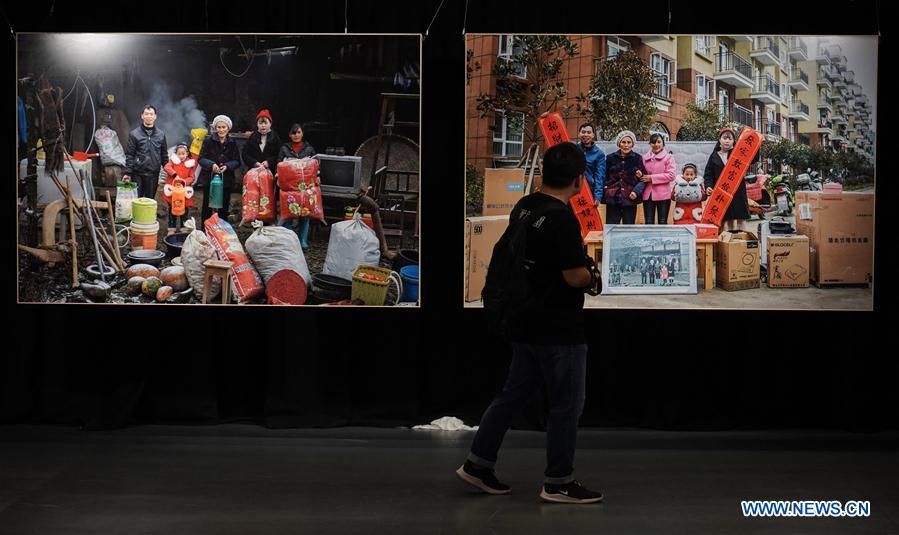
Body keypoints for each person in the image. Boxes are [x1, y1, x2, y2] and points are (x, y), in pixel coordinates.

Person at [457, 142, 603, 505]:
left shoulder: (525, 206)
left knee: (512, 395)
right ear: (579, 180)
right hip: (557, 327)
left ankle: (478, 463)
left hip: (523, 321)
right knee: (566, 405)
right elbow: (573, 277)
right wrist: (592, 274)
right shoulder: (562, 218)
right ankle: (558, 481)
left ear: (544, 173)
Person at [703, 127, 759, 232]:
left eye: (730, 138)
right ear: (719, 139)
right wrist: (708, 186)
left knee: (739, 218)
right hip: (722, 192)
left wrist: (756, 142)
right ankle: (725, 243)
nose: (727, 141)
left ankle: (739, 242)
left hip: (737, 191)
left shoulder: (738, 153)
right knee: (725, 219)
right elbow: (708, 174)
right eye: (725, 138)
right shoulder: (714, 156)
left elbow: (753, 158)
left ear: (734, 141)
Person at [278, 123, 317, 249]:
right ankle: (290, 240)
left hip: (305, 186)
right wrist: (277, 176)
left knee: (305, 212)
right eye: (293, 133)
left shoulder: (309, 149)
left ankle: (302, 241)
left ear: (302, 133)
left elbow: (316, 165)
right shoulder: (284, 148)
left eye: (298, 132)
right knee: (288, 211)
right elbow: (279, 164)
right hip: (289, 185)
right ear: (290, 135)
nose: (296, 135)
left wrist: (318, 176)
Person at [197, 115, 241, 222]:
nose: (221, 130)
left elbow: (237, 161)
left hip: (226, 179)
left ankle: (222, 231)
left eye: (224, 127)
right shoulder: (208, 141)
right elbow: (201, 158)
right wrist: (211, 165)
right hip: (209, 179)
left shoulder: (232, 143)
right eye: (219, 127)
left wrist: (227, 166)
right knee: (207, 206)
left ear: (228, 128)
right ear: (215, 128)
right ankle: (205, 229)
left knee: (224, 207)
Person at [122, 105, 168, 201]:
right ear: (142, 116)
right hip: (138, 173)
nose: (149, 116)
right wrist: (128, 173)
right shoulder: (134, 134)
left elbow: (164, 155)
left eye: (151, 114)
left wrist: (169, 171)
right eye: (146, 114)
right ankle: (136, 216)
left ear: (155, 116)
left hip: (153, 174)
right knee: (136, 200)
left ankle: (148, 216)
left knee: (149, 201)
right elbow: (130, 154)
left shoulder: (160, 135)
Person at [602, 130, 647, 225]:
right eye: (623, 142)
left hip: (630, 198)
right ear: (619, 143)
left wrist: (636, 191)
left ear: (632, 144)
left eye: (629, 142)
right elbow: (604, 176)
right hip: (613, 198)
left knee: (628, 228)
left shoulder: (637, 158)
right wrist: (607, 189)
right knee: (611, 227)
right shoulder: (610, 158)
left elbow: (643, 179)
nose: (626, 145)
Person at [162, 143, 197, 235]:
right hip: (173, 190)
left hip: (184, 190)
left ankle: (183, 226)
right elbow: (167, 167)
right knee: (172, 208)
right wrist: (175, 175)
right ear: (176, 154)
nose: (181, 156)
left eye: (183, 153)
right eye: (179, 154)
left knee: (184, 209)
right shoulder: (172, 161)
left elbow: (192, 177)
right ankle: (171, 227)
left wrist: (184, 181)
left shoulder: (190, 164)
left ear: (187, 153)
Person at [641, 134, 676, 224]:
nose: (656, 144)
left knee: (662, 221)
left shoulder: (669, 157)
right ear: (650, 144)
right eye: (653, 142)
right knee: (648, 222)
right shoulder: (644, 158)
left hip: (663, 195)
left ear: (663, 144)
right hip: (648, 195)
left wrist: (652, 178)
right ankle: (649, 238)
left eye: (659, 142)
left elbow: (671, 175)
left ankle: (662, 238)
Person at [242, 109, 282, 173]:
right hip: (253, 172)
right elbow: (245, 154)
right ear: (257, 124)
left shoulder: (275, 138)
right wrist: (254, 163)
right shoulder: (252, 138)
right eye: (260, 123)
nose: (263, 125)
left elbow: (280, 154)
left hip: (270, 172)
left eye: (265, 123)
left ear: (270, 124)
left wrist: (269, 162)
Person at [575, 123, 605, 205]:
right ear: (579, 134)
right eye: (583, 132)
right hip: (570, 189)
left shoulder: (599, 154)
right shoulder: (573, 148)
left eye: (588, 132)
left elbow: (599, 176)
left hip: (588, 191)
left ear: (593, 135)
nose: (585, 135)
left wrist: (598, 196)